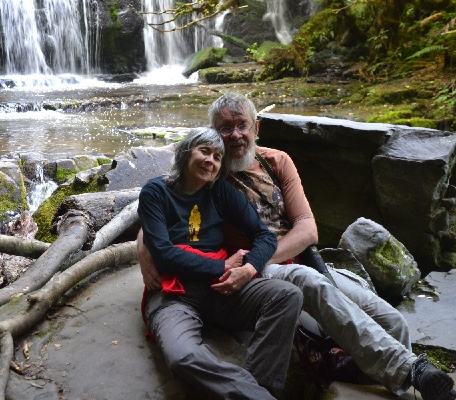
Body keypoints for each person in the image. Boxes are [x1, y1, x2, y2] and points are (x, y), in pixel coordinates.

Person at [138, 93, 456, 400]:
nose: (234, 136)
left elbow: (307, 228)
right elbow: (168, 200)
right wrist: (144, 246)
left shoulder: (276, 161)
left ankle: (387, 379)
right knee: (306, 283)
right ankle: (407, 370)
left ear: (256, 127)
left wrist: (255, 261)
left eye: (241, 125)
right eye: (224, 128)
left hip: (291, 258)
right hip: (263, 269)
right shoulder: (212, 174)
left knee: (393, 322)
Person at [138, 126, 303, 400]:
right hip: (174, 294)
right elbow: (164, 254)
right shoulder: (156, 192)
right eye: (204, 151)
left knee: (287, 296)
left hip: (223, 290)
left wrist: (248, 268)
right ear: (185, 153)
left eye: (217, 157)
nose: (210, 161)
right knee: (182, 357)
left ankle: (259, 389)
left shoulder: (220, 192)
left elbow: (264, 236)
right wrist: (222, 266)